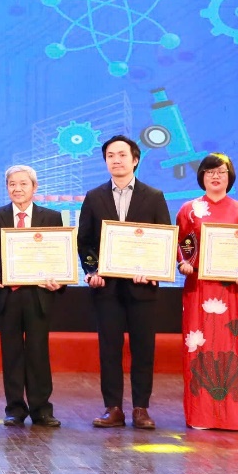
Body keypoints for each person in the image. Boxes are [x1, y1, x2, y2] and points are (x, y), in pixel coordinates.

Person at [77, 134, 172, 430]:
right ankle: (113, 408)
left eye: (122, 155)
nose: (116, 160)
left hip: (142, 287)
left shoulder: (153, 196)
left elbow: (163, 239)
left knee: (143, 349)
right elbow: (85, 241)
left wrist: (153, 270)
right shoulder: (94, 197)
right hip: (106, 288)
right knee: (109, 349)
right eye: (110, 156)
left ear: (135, 160)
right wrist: (92, 270)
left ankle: (141, 408)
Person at [176, 153, 238, 431]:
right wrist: (183, 263)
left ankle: (237, 417)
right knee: (199, 348)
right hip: (199, 288)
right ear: (201, 175)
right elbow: (181, 244)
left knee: (233, 348)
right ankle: (202, 415)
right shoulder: (189, 209)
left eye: (221, 172)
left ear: (229, 177)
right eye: (210, 171)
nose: (215, 176)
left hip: (233, 291)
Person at [0, 165, 63, 428]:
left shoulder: (52, 217)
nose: (17, 189)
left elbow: (60, 255)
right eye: (12, 184)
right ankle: (14, 408)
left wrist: (60, 279)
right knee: (11, 353)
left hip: (39, 295)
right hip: (8, 294)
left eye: (23, 184)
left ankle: (42, 409)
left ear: (34, 187)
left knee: (38, 352)